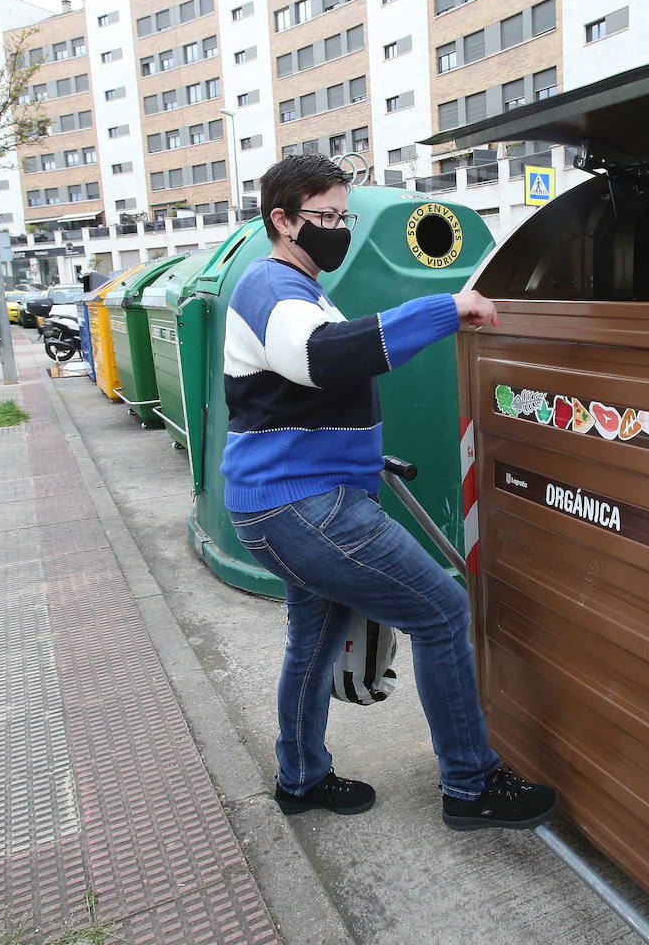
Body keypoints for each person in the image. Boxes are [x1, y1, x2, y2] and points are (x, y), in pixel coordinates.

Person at [222, 154, 556, 831]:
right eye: (326, 216)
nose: (339, 229)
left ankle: (302, 778)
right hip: (304, 508)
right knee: (441, 612)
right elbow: (322, 359)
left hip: (291, 503)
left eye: (345, 216)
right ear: (281, 220)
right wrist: (446, 306)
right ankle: (471, 784)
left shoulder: (302, 289)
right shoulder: (271, 288)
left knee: (311, 646)